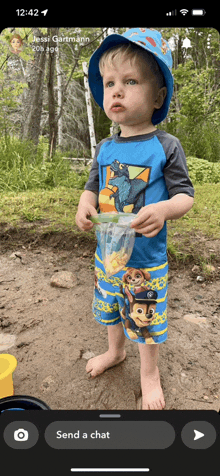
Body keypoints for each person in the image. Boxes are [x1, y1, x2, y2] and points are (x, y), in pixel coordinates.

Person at [76, 28, 194, 410]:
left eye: (130, 81)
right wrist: (84, 204)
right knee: (109, 306)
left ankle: (149, 375)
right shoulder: (106, 147)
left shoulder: (164, 146)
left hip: (145, 261)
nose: (116, 91)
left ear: (158, 96)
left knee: (143, 317)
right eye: (109, 83)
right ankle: (115, 352)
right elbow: (92, 185)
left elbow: (184, 197)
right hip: (108, 256)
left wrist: (162, 210)